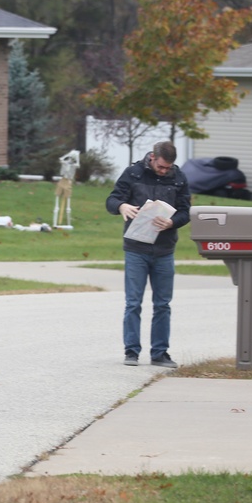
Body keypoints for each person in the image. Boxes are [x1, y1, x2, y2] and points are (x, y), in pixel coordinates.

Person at [106, 141, 191, 368]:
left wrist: (172, 222)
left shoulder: (178, 178)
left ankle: (160, 353)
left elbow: (185, 211)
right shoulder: (133, 173)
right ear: (153, 157)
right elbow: (111, 200)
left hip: (164, 249)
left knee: (163, 304)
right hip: (136, 248)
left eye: (168, 168)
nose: (165, 171)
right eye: (162, 166)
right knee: (133, 302)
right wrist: (122, 207)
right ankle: (131, 351)